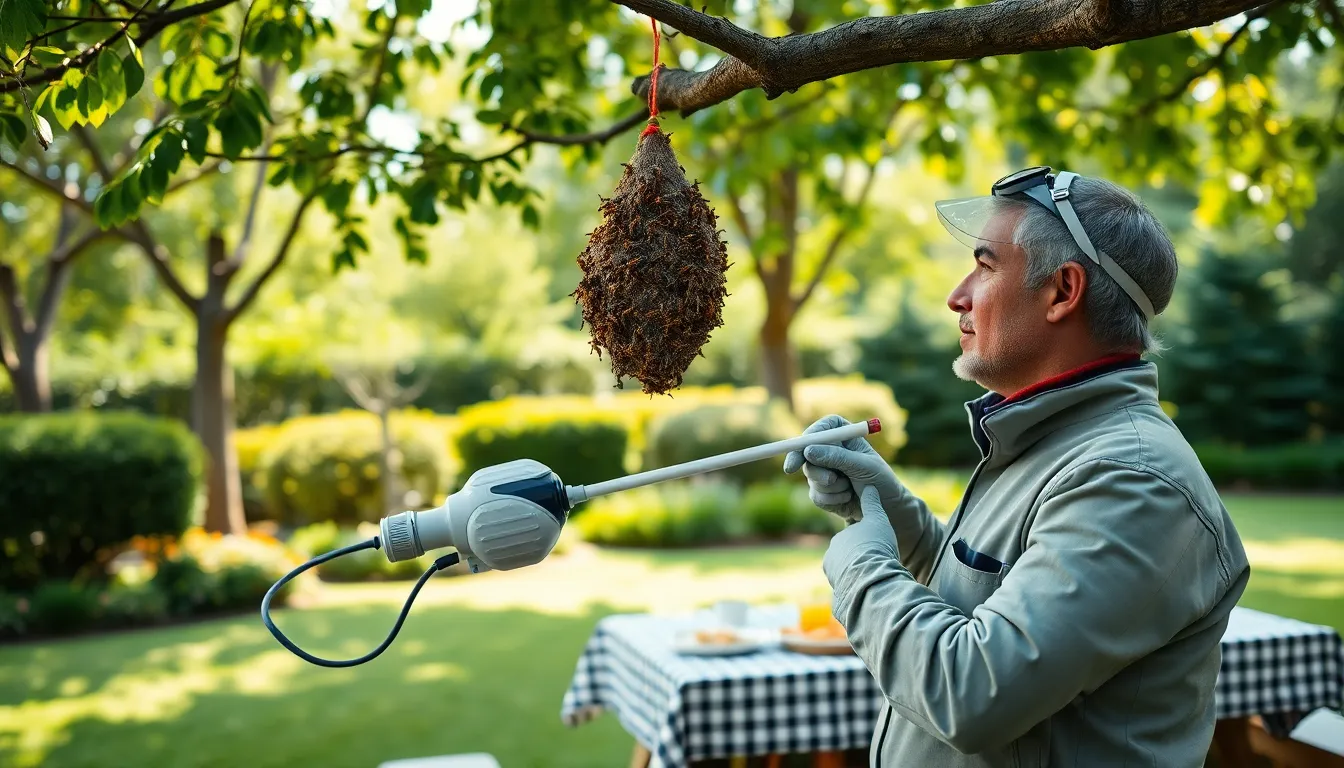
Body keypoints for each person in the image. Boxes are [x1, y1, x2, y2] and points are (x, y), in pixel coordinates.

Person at [784, 167, 1250, 768]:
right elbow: (980, 597)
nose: (957, 295)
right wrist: (882, 507)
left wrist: (859, 564)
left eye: (985, 264)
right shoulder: (1052, 442)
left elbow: (971, 693)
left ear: (1062, 290)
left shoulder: (1131, 480)